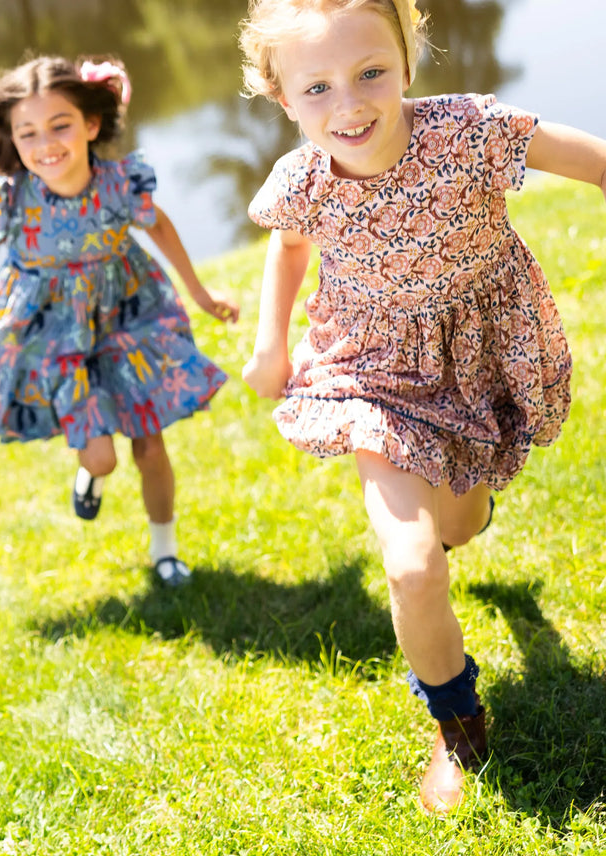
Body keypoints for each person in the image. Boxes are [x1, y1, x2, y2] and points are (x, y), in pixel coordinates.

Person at [239, 0, 606, 813]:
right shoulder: (302, 179)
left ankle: (470, 508)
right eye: (318, 87)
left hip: (476, 355)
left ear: (407, 59)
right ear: (281, 96)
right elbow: (292, 241)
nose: (350, 104)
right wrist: (271, 342)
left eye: (371, 72)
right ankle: (458, 723)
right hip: (369, 372)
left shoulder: (472, 130)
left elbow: (598, 164)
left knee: (460, 526)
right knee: (412, 562)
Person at [0, 55, 238, 587]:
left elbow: (161, 226)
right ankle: (90, 476)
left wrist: (200, 292)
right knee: (104, 458)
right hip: (56, 334)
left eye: (59, 125)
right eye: (28, 133)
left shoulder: (119, 183)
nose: (46, 144)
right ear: (13, 140)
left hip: (129, 320)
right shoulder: (14, 196)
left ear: (89, 124)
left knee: (150, 445)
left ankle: (165, 551)